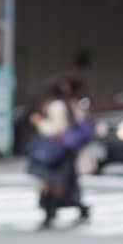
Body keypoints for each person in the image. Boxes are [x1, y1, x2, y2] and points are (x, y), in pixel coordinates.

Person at [28, 77, 91, 228]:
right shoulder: (70, 103)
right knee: (63, 184)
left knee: (52, 183)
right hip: (65, 151)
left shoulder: (57, 105)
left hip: (56, 151)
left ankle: (51, 214)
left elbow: (56, 129)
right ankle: (71, 210)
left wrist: (39, 122)